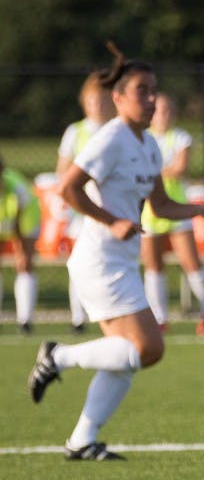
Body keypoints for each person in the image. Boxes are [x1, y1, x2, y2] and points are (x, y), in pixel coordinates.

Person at [27, 46, 204, 461]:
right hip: (100, 259)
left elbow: (161, 207)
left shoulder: (150, 145)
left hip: (120, 260)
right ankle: (57, 356)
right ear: (118, 98)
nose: (152, 99)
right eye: (143, 91)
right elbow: (67, 189)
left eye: (155, 91)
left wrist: (203, 210)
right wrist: (112, 221)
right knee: (148, 348)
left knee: (127, 358)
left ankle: (82, 440)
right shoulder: (111, 138)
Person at [140, 93, 204, 335]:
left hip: (176, 207)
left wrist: (152, 172)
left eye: (168, 110)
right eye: (159, 110)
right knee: (153, 266)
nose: (164, 115)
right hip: (149, 211)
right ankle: (159, 318)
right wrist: (162, 171)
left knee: (191, 263)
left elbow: (180, 169)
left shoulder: (180, 137)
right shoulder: (142, 137)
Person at [57, 71, 115, 333]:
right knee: (79, 261)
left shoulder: (117, 129)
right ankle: (78, 316)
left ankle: (109, 311)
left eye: (102, 100)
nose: (97, 105)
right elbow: (63, 171)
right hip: (83, 208)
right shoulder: (76, 132)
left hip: (112, 206)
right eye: (92, 100)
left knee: (110, 260)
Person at [0, 156, 41, 333]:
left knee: (25, 265)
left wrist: (21, 252)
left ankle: (25, 322)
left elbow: (20, 227)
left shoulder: (19, 190)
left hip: (25, 220)